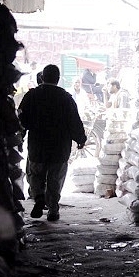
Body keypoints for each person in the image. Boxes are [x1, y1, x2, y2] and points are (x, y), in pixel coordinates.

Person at [18, 64, 87, 221]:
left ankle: (38, 197)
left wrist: (20, 137)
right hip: (59, 147)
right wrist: (80, 139)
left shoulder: (31, 96)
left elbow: (21, 120)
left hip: (37, 145)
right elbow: (74, 121)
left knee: (35, 174)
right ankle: (53, 210)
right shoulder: (66, 98)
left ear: (42, 77)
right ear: (58, 79)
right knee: (55, 177)